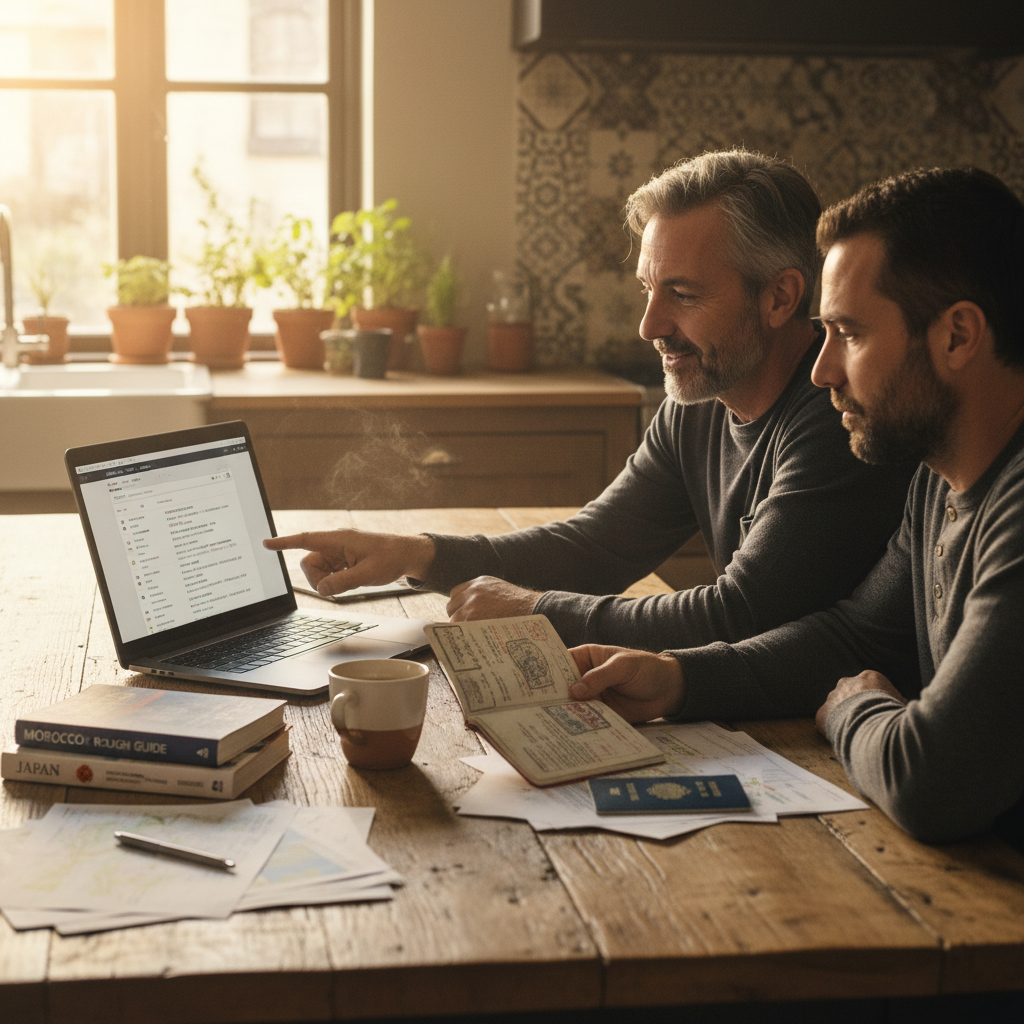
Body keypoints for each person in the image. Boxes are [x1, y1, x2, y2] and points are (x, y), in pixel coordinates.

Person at [265, 150, 913, 653]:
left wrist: (537, 611)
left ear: (779, 298)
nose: (650, 326)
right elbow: (599, 546)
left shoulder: (840, 415)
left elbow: (739, 615)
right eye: (648, 290)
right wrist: (418, 554)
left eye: (682, 294)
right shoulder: (697, 403)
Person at [568, 166, 1024, 846]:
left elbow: (931, 782)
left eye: (851, 333)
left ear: (957, 336)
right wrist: (680, 680)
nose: (823, 370)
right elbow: (854, 636)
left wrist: (854, 707)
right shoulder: (941, 477)